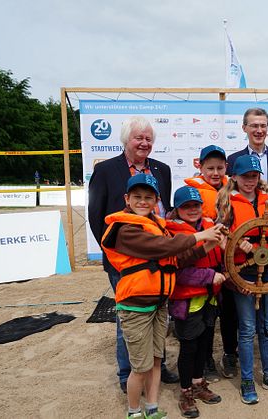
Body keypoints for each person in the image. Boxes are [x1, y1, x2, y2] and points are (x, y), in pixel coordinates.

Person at [100, 174, 225, 419]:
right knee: (140, 366)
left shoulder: (158, 226)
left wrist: (209, 244)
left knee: (157, 360)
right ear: (127, 198)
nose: (143, 201)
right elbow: (161, 247)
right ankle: (134, 412)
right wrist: (202, 235)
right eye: (137, 197)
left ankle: (153, 408)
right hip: (135, 306)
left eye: (149, 197)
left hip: (159, 304)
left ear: (157, 200)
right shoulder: (126, 229)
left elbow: (177, 259)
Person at [88, 116, 178, 392]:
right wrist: (117, 253)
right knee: (127, 318)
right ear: (126, 140)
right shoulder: (105, 171)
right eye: (139, 137)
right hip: (126, 264)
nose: (144, 143)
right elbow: (96, 218)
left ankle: (156, 368)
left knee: (158, 315)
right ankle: (127, 374)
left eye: (149, 138)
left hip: (159, 261)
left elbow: (165, 212)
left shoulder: (161, 170)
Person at [216, 154, 268, 404]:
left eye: (254, 175)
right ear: (234, 177)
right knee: (247, 329)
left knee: (267, 326)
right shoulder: (228, 202)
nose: (250, 180)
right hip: (241, 272)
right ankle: (248, 379)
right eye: (245, 176)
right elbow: (222, 237)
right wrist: (242, 246)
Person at [226, 108, 268, 351]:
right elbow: (226, 201)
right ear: (244, 128)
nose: (259, 130)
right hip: (244, 243)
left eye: (263, 125)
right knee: (240, 300)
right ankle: (235, 347)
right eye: (254, 125)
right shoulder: (232, 160)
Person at [167, 186, 226, 417]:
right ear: (177, 209)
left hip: (210, 300)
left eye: (196, 205)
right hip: (187, 302)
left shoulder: (211, 227)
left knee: (205, 345)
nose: (192, 210)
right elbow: (177, 271)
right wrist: (210, 276)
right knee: (189, 348)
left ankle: (199, 382)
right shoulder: (172, 234)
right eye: (186, 206)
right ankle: (186, 392)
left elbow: (221, 260)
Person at [184, 145, 230, 381]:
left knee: (221, 314)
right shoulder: (191, 193)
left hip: (227, 262)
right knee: (201, 317)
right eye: (210, 168)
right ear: (199, 167)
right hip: (201, 262)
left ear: (226, 168)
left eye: (219, 168)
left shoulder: (233, 188)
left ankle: (225, 355)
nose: (215, 172)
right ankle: (206, 360)